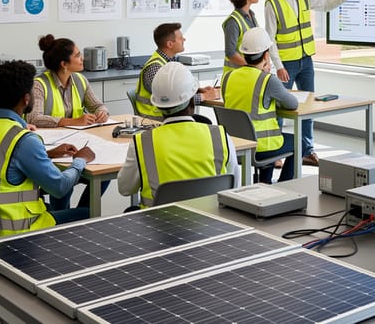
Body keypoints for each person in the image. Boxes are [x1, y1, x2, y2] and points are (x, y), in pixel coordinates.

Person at [0, 61, 94, 235]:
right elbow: (59, 187)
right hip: (13, 232)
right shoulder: (23, 140)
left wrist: (47, 155)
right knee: (89, 213)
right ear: (26, 99)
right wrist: (80, 160)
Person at [264, 0, 366, 166]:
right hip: (287, 65)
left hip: (306, 61)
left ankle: (307, 151)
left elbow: (327, 4)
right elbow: (270, 38)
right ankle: (275, 152)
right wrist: (279, 66)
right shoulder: (272, 3)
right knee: (280, 109)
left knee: (308, 107)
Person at [118, 62, 239, 207]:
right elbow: (234, 184)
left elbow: (125, 188)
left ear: (157, 105)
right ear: (192, 100)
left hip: (156, 226)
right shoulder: (220, 136)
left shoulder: (142, 143)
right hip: (212, 223)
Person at [222, 27, 296, 183]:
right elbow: (292, 104)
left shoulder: (227, 77)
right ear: (266, 55)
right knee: (299, 142)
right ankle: (283, 188)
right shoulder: (268, 80)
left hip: (235, 145)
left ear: (243, 54)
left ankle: (265, 184)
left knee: (271, 139)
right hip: (261, 147)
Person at [135, 23, 217, 121]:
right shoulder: (155, 68)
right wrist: (204, 96)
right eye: (181, 38)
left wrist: (197, 90)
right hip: (154, 121)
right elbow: (170, 102)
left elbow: (174, 93)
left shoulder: (168, 62)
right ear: (170, 44)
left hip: (167, 117)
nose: (184, 40)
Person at [26, 34, 109, 128]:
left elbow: (97, 106)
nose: (82, 58)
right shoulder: (39, 85)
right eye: (77, 56)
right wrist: (73, 121)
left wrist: (102, 112)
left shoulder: (81, 80)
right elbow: (34, 119)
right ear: (64, 64)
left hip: (77, 136)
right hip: (49, 140)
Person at [222, 0, 260, 76]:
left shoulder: (252, 16)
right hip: (236, 76)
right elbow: (230, 53)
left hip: (250, 73)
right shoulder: (233, 22)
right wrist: (251, 66)